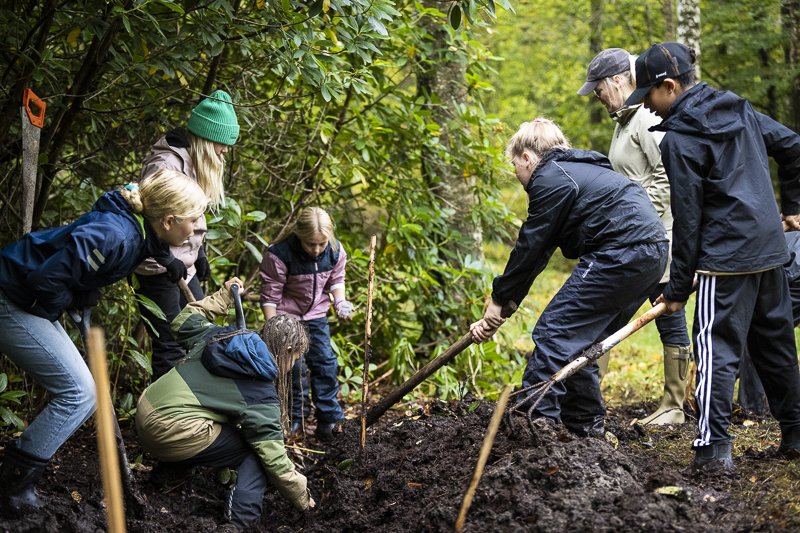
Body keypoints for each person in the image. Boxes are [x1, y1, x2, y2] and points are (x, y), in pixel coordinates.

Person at [626, 42, 800, 471]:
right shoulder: (739, 110)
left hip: (725, 261)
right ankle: (796, 434)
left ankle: (712, 449)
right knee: (777, 346)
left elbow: (689, 222)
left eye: (648, 95)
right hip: (769, 250)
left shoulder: (680, 140)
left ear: (669, 86)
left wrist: (679, 286)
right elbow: (794, 145)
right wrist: (792, 207)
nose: (646, 106)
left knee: (715, 349)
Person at [0, 170, 207, 513]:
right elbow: (46, 278)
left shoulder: (141, 225)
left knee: (84, 391)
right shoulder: (115, 234)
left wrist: (166, 259)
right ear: (168, 220)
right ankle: (13, 488)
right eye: (193, 219)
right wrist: (71, 300)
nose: (197, 227)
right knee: (80, 392)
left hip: (27, 300)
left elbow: (128, 244)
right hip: (12, 298)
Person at [470, 119, 669, 437]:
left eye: (514, 165)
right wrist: (505, 304)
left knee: (554, 333)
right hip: (652, 253)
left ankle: (535, 425)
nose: (517, 176)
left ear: (526, 157)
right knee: (579, 341)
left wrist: (496, 299)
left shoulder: (550, 177)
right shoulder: (578, 170)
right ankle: (585, 426)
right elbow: (542, 250)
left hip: (621, 251)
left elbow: (530, 246)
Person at [135, 278, 314, 531]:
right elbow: (274, 459)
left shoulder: (220, 335)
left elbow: (184, 319)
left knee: (223, 425)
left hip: (146, 410)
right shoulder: (261, 394)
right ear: (285, 350)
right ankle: (240, 525)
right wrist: (302, 499)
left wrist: (225, 296)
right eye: (294, 359)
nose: (292, 367)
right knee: (256, 452)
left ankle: (166, 475)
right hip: (170, 433)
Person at [578, 48, 692, 425]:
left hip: (657, 238)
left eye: (597, 88)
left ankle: (675, 407)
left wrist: (645, 223)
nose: (596, 96)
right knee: (608, 317)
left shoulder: (644, 116)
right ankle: (583, 399)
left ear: (616, 81)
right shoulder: (624, 121)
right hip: (633, 240)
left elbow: (666, 175)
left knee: (667, 316)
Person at [133, 89, 239, 380]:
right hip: (157, 270)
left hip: (184, 267)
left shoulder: (193, 161)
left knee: (199, 335)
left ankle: (192, 409)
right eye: (223, 143)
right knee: (169, 345)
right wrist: (167, 259)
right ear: (207, 138)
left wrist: (199, 252)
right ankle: (162, 418)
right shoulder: (165, 167)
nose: (226, 150)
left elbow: (188, 213)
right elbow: (148, 223)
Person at [259, 207, 353, 441]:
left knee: (325, 363)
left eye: (322, 244)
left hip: (316, 316)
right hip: (286, 318)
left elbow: (336, 280)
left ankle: (328, 419)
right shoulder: (279, 255)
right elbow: (270, 297)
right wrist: (274, 329)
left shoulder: (334, 251)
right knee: (294, 368)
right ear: (300, 235)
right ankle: (294, 419)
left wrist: (340, 301)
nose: (317, 249)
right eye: (311, 244)